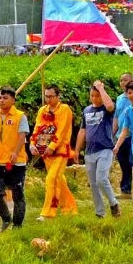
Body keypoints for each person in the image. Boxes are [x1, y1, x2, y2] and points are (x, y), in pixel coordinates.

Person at [0, 87, 29, 230]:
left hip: (17, 161)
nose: (1, 100)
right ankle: (6, 218)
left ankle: (17, 225)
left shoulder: (20, 116)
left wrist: (15, 152)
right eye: (0, 98)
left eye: (5, 98)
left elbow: (22, 135)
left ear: (13, 100)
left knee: (17, 194)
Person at [32, 85, 78, 220]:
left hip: (60, 151)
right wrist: (33, 144)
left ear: (58, 96)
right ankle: (70, 209)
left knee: (51, 179)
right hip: (45, 152)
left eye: (51, 96)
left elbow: (62, 130)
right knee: (59, 180)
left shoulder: (65, 109)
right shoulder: (42, 110)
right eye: (46, 96)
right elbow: (37, 128)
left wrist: (52, 146)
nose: (48, 99)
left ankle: (47, 213)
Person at [81, 81, 122, 218]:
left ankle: (113, 203)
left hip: (105, 149)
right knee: (93, 184)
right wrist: (76, 149)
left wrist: (101, 88)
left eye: (97, 96)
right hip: (89, 151)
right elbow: (83, 130)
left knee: (101, 179)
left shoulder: (106, 109)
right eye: (92, 95)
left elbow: (110, 105)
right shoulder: (86, 111)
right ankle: (99, 212)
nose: (94, 98)